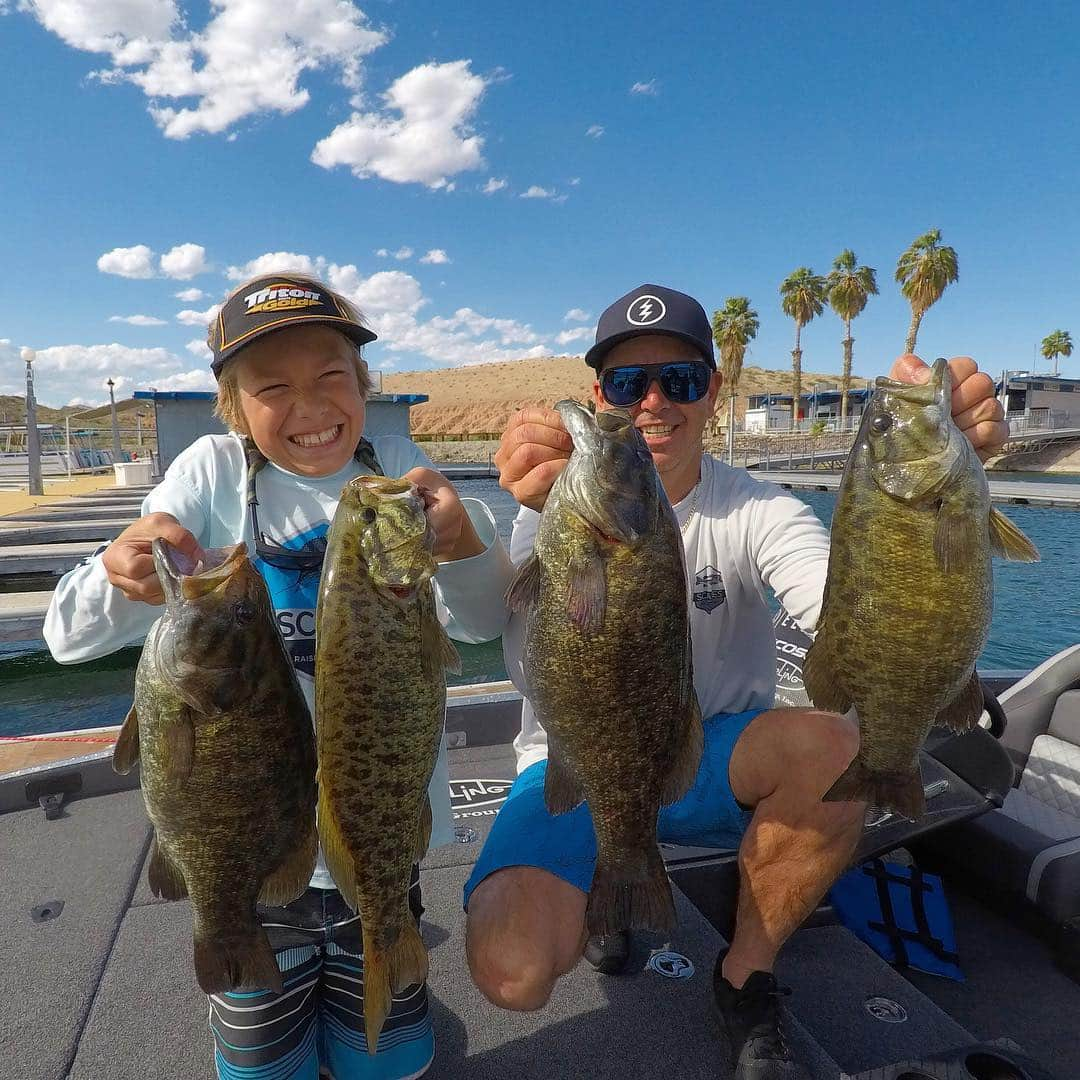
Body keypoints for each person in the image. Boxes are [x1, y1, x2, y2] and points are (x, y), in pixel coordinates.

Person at [463, 283, 1009, 1080]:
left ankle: (743, 977)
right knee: (511, 976)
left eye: (679, 380)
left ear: (712, 393)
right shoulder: (549, 511)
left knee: (834, 744)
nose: (653, 402)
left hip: (708, 758)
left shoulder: (764, 510)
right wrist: (459, 537)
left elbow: (839, 608)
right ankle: (612, 883)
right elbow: (477, 623)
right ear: (599, 397)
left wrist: (938, 512)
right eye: (626, 384)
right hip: (575, 763)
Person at [44, 272, 515, 1080]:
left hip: (382, 844)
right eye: (272, 388)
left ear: (363, 384)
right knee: (265, 1066)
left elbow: (479, 624)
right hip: (255, 864)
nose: (309, 408)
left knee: (389, 1065)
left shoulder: (396, 465)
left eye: (332, 378)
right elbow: (66, 638)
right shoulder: (210, 475)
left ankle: (376, 992)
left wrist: (466, 543)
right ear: (233, 405)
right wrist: (116, 574)